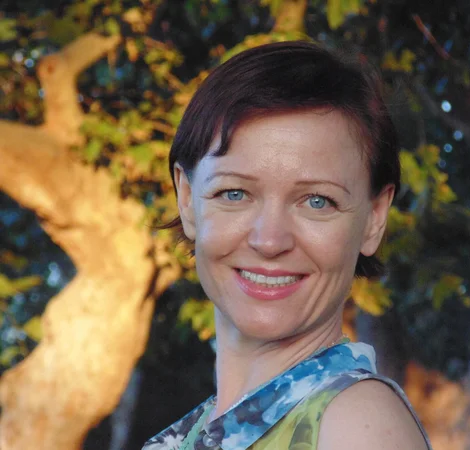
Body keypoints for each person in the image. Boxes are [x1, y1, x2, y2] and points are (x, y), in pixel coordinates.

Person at [143, 40, 432, 450]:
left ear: (373, 218)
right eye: (234, 194)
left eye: (317, 201)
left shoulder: (356, 426)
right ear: (187, 199)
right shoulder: (195, 434)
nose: (269, 240)